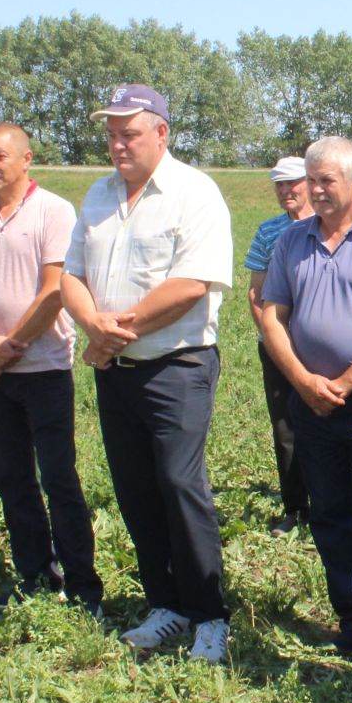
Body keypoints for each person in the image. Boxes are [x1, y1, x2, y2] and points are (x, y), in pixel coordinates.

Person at [63, 84, 234, 662]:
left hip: (176, 368)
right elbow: (71, 275)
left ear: (162, 133)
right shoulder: (98, 195)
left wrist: (117, 328)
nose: (117, 145)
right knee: (135, 488)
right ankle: (167, 604)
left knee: (180, 486)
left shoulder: (195, 194)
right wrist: (94, 326)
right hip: (116, 368)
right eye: (111, 134)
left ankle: (211, 615)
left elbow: (192, 283)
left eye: (128, 133)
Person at [257, 137, 352, 671]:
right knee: (329, 514)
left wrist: (346, 380)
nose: (316, 191)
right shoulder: (291, 240)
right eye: (311, 180)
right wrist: (301, 380)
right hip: (310, 403)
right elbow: (271, 314)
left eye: (327, 181)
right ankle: (349, 620)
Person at [0, 123, 99, 610]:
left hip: (42, 369)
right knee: (12, 478)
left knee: (59, 478)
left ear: (26, 159)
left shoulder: (54, 212)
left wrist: (6, 348)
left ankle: (83, 585)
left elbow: (54, 291)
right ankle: (35, 574)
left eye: (0, 157)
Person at [245, 156, 314, 534]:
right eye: (280, 185)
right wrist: (276, 339)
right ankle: (295, 508)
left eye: (293, 183)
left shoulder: (329, 225)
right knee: (285, 426)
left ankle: (329, 501)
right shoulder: (269, 231)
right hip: (277, 346)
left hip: (320, 348)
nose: (287, 191)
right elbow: (256, 292)